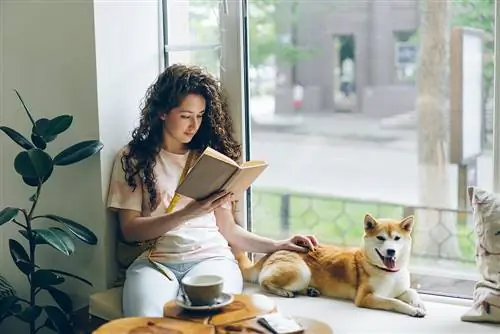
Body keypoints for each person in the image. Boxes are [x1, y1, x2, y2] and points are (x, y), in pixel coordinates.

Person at [106, 64, 319, 317]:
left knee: (209, 319)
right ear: (163, 112)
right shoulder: (133, 159)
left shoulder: (209, 161)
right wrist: (189, 212)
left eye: (200, 115)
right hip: (156, 262)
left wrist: (278, 244)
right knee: (146, 319)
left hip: (213, 259)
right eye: (185, 115)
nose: (193, 125)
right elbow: (129, 230)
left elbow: (228, 230)